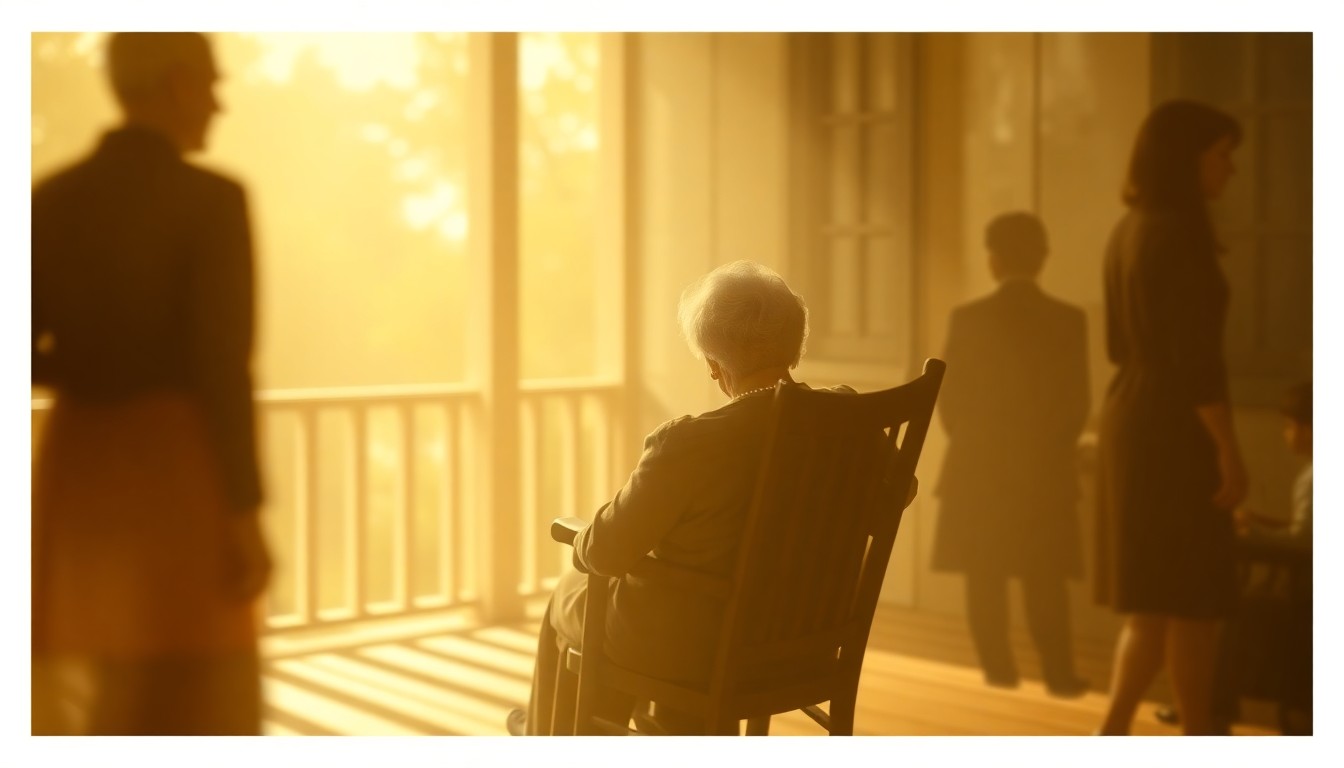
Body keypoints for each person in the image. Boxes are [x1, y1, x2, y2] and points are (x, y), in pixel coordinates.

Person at [506, 260, 916, 735]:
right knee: (644, 610)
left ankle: (553, 736)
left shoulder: (692, 443)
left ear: (714, 364)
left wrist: (582, 537)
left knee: (574, 594)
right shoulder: (849, 417)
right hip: (804, 642)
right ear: (794, 346)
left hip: (699, 649)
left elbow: (604, 553)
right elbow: (899, 492)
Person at [31, 32, 271, 735]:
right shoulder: (212, 201)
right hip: (178, 474)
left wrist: (85, 361)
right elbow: (224, 368)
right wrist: (246, 516)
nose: (219, 104)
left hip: (80, 469)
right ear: (178, 84)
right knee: (194, 700)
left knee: (85, 701)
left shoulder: (53, 200)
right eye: (212, 84)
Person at [1094, 99, 1246, 736]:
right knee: (1193, 601)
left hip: (1130, 415)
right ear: (1189, 158)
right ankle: (1198, 734)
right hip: (1174, 431)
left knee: (1155, 601)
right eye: (1222, 154)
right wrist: (1228, 449)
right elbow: (1197, 363)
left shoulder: (1128, 229)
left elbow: (1120, 346)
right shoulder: (1182, 235)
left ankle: (1115, 732)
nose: (1230, 168)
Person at [931, 211, 1090, 697]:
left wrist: (973, 441)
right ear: (1042, 259)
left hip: (978, 466)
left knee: (985, 573)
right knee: (1045, 576)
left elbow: (948, 400)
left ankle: (998, 671)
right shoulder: (1069, 320)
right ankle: (1059, 675)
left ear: (994, 260)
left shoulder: (968, 318)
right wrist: (1049, 450)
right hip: (1044, 468)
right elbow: (1077, 403)